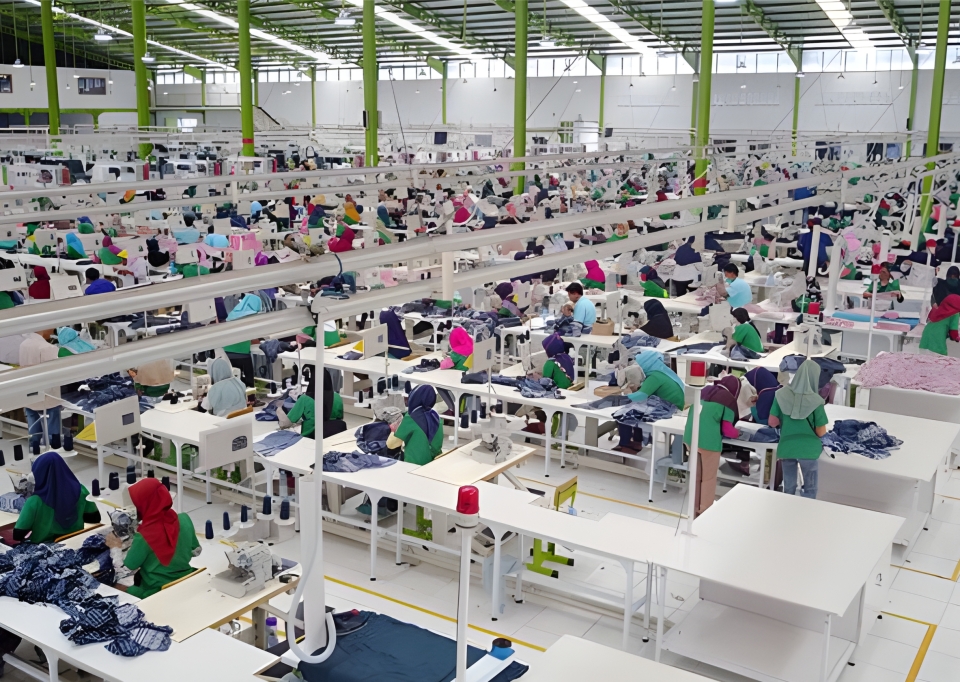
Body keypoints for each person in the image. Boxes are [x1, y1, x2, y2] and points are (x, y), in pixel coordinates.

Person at [106, 478, 200, 598]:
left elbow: (126, 568)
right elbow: (196, 551)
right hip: (186, 579)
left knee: (115, 588)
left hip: (156, 590)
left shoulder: (144, 535)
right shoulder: (184, 519)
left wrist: (115, 547)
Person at [768, 360, 828, 499]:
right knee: (810, 488)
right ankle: (804, 516)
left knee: (788, 487)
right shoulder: (816, 401)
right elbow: (821, 431)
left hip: (787, 447)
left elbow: (772, 422)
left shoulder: (780, 394)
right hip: (809, 450)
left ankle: (788, 513)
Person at [13, 452, 100, 544]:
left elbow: (18, 535)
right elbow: (94, 518)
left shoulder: (35, 501)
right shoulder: (81, 490)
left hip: (44, 547)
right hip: (75, 541)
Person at [684, 375, 740, 517]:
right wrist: (738, 433)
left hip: (691, 437)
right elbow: (728, 430)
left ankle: (693, 507)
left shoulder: (704, 390)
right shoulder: (728, 400)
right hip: (709, 442)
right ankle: (704, 511)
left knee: (696, 475)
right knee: (708, 478)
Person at [616, 351, 686, 453]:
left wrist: (621, 398)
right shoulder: (663, 373)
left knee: (625, 413)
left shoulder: (655, 377)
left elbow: (641, 395)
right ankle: (636, 441)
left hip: (667, 407)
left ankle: (626, 444)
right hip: (671, 404)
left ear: (646, 364)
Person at [388, 384, 443, 465]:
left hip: (415, 464)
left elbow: (392, 444)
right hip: (434, 463)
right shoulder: (436, 416)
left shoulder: (410, 418)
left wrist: (393, 430)